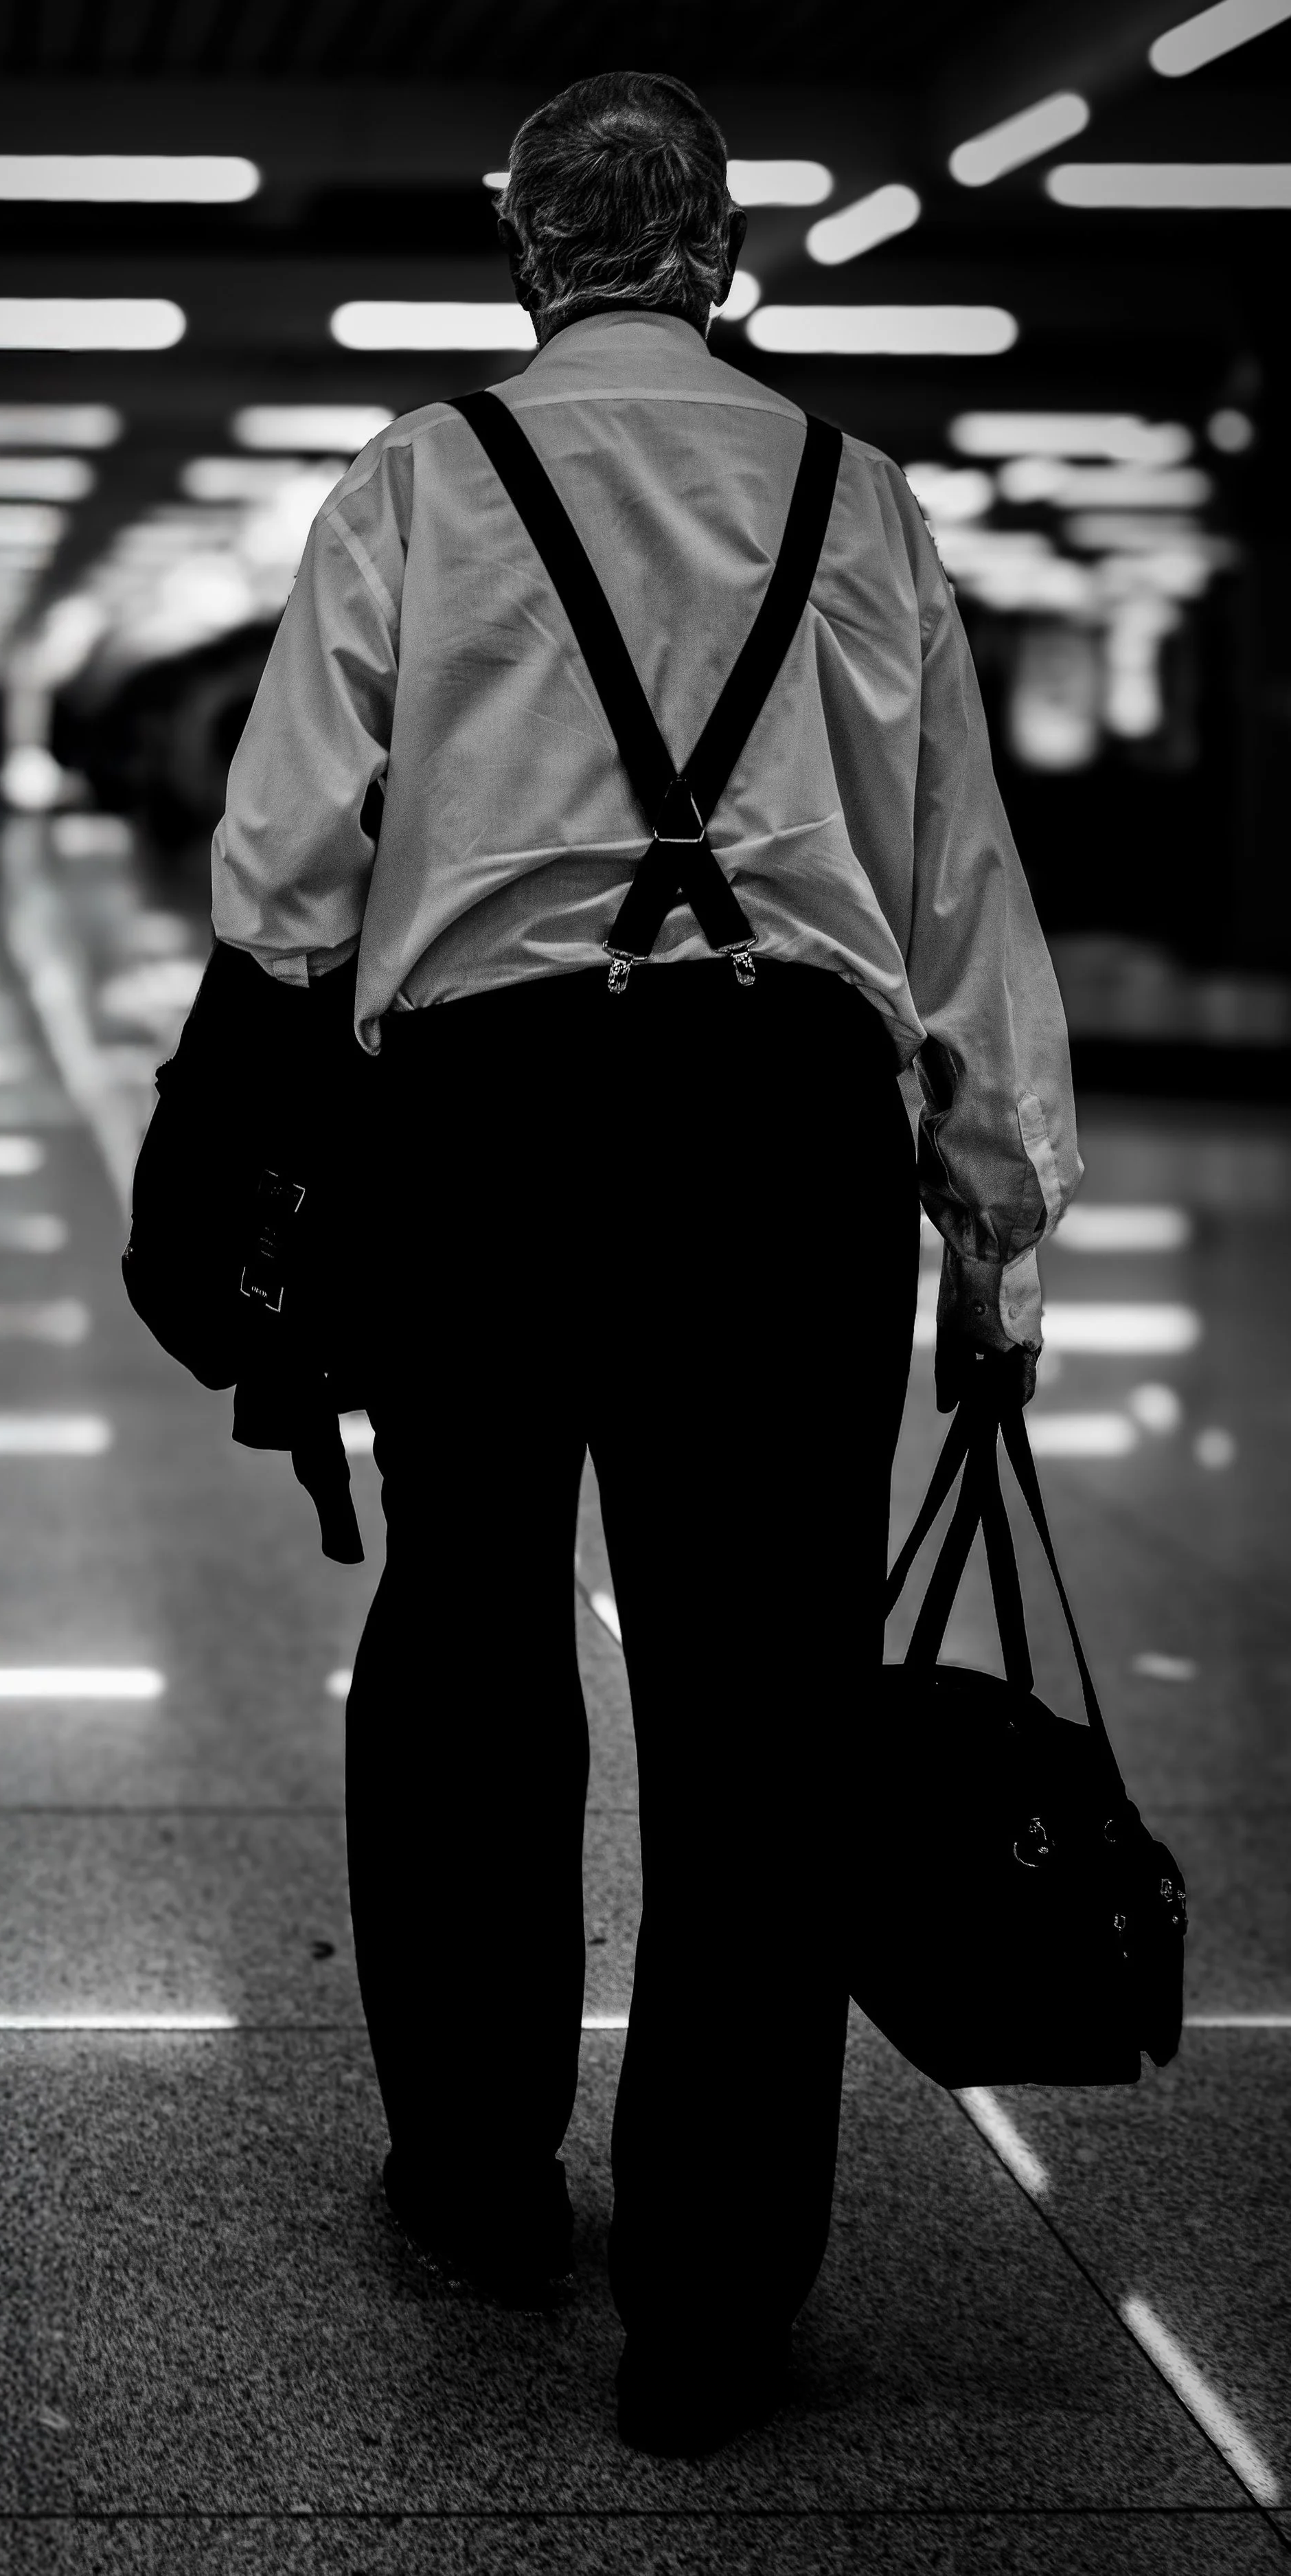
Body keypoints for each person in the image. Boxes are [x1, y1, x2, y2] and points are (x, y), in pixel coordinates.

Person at [209, 69, 1081, 2459]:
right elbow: (951, 883)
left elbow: (286, 871)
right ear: (723, 259)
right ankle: (708, 2294)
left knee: (471, 1634)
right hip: (783, 1135)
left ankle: (483, 2172)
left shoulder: (413, 479)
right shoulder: (856, 497)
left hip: (478, 1127)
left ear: (526, 256)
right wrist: (997, 1221)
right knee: (758, 1707)